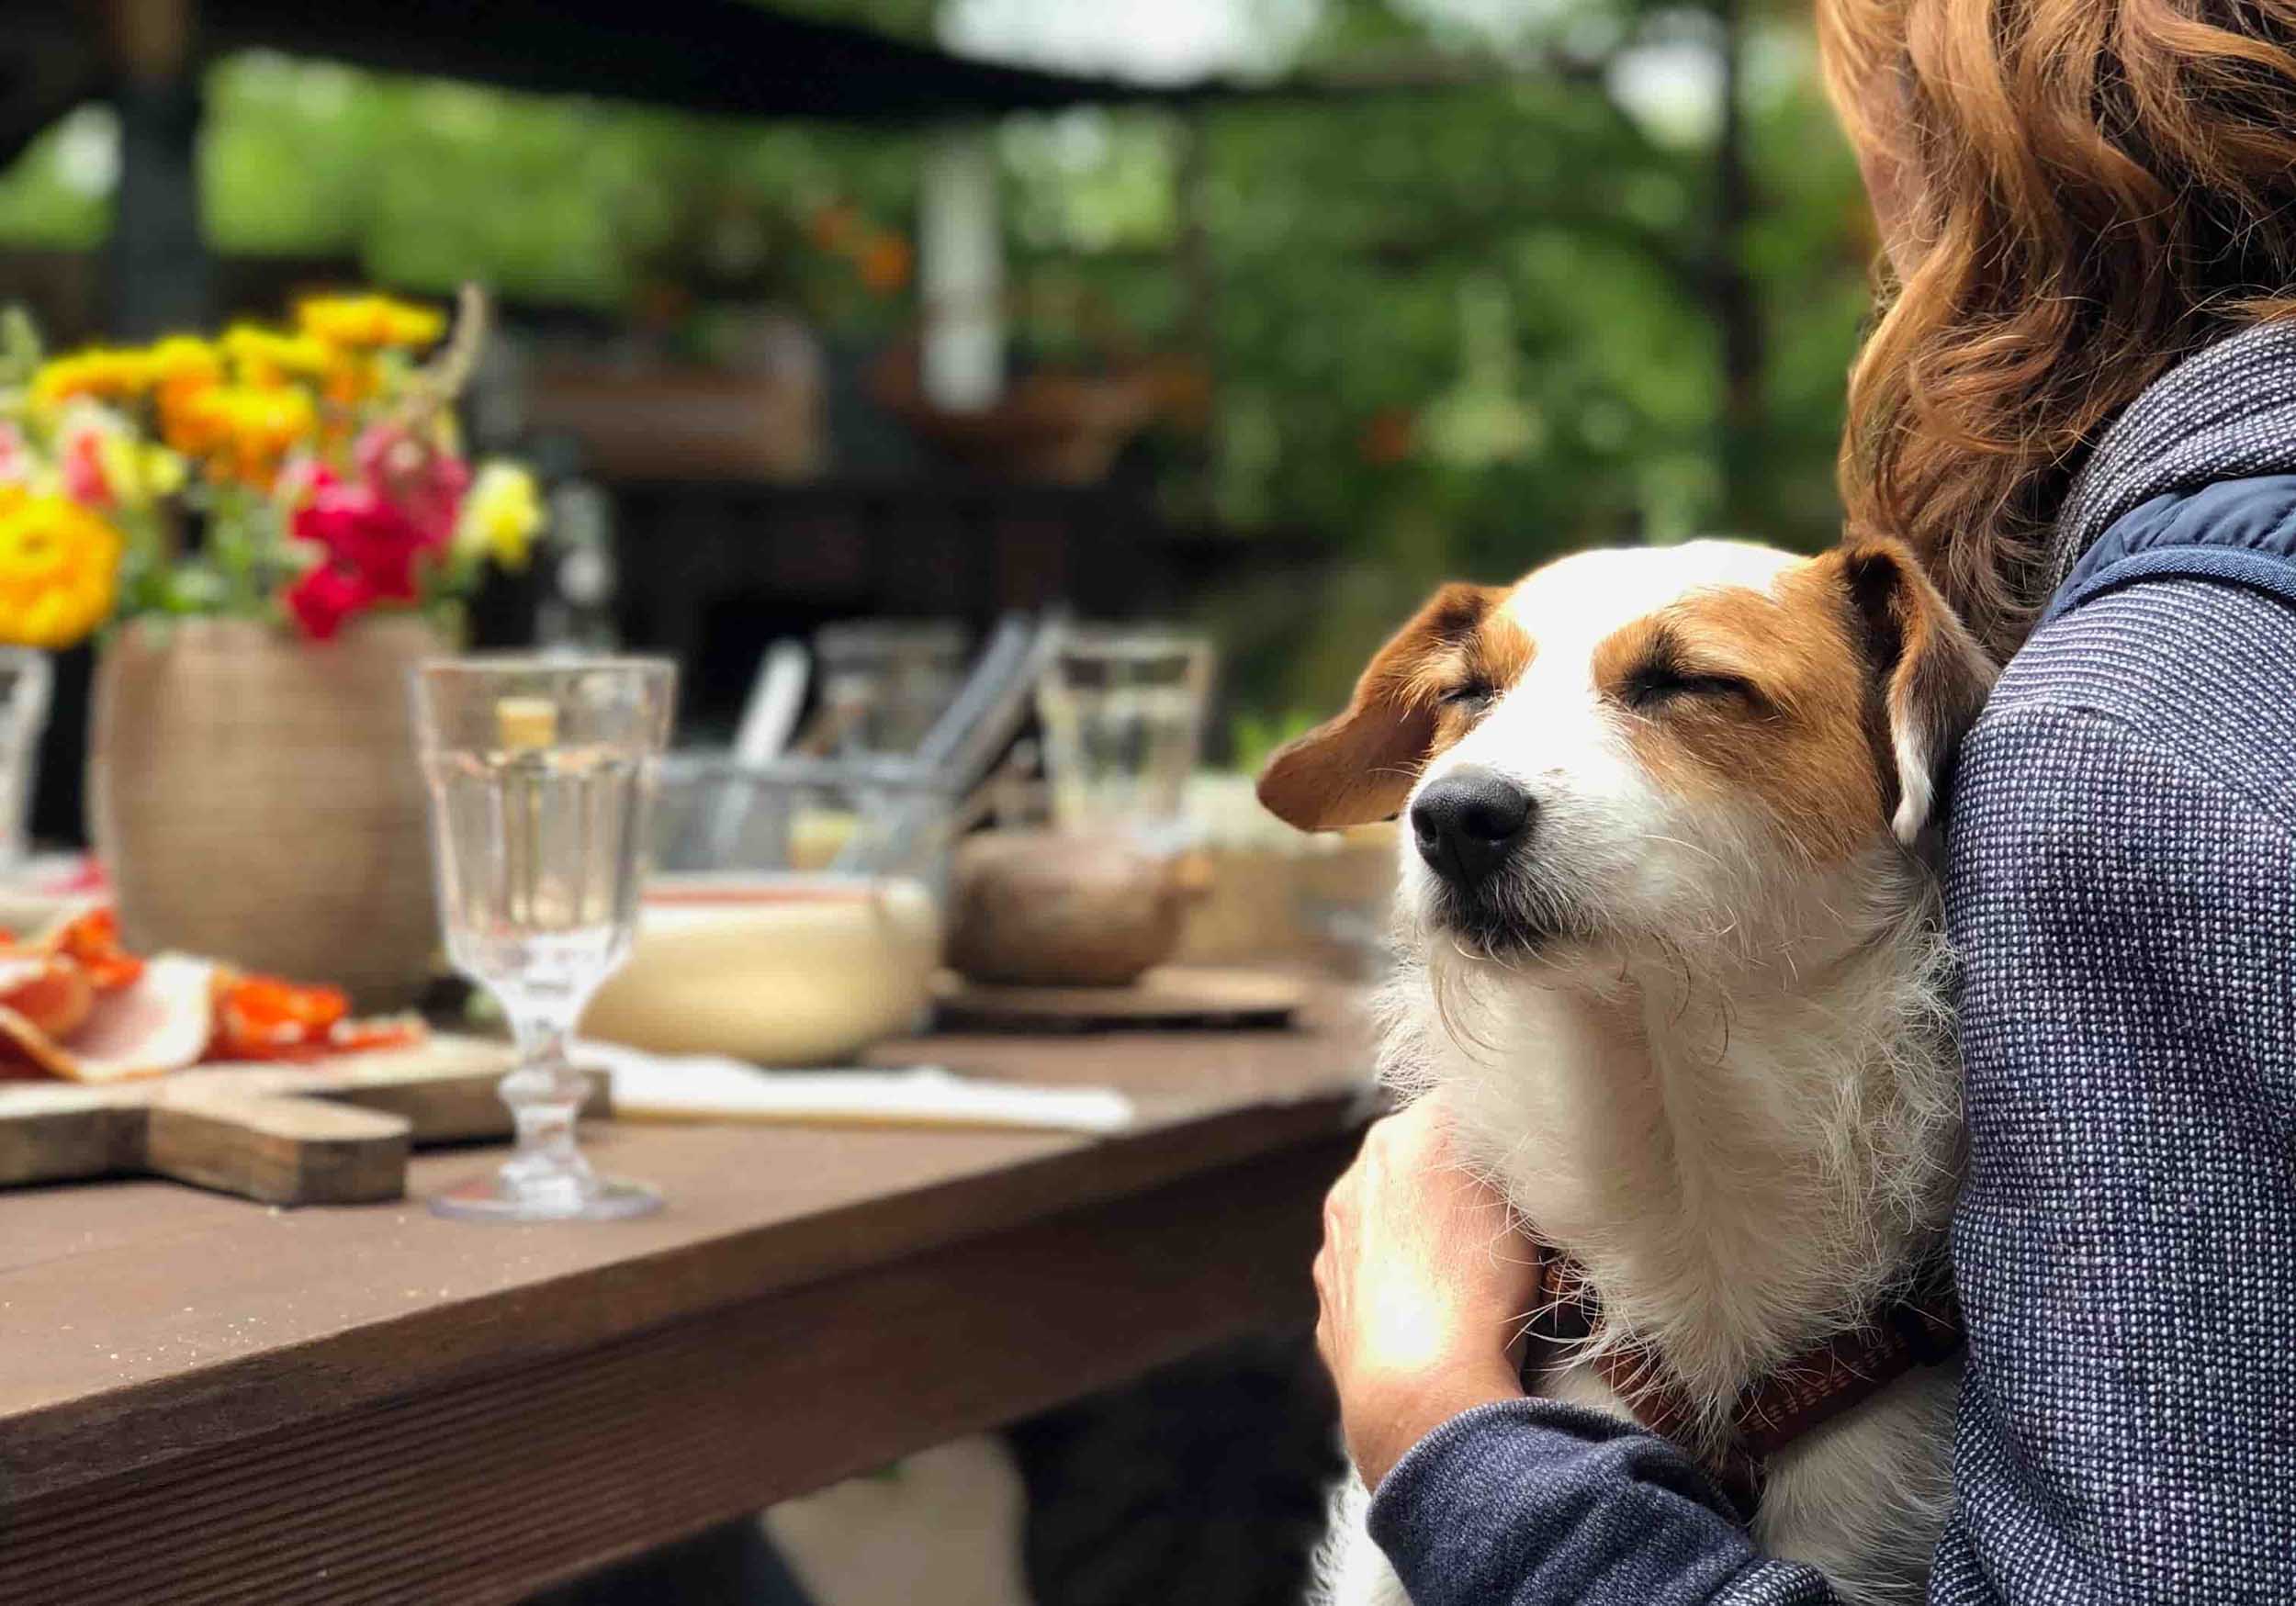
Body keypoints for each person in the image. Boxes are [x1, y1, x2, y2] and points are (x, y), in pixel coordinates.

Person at [1316, 2, 2296, 1600]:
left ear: (1962, 184)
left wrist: (1443, 1425)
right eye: (1469, 700)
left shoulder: (2125, 740)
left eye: (1682, 686)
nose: (1465, 786)